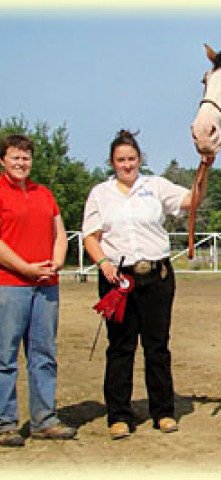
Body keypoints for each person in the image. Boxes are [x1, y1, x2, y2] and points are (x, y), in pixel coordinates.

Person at [82, 130, 192, 440]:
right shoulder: (100, 194)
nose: (127, 165)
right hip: (118, 279)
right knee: (120, 347)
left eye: (131, 159)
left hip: (156, 277)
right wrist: (103, 263)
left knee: (157, 347)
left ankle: (164, 412)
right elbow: (90, 235)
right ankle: (119, 415)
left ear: (139, 160)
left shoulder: (155, 186)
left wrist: (204, 168)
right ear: (112, 162)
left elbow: (190, 199)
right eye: (121, 160)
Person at [0, 134, 77, 447]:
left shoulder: (44, 194)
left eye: (26, 157)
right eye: (16, 157)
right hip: (10, 285)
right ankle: (5, 423)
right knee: (5, 356)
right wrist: (25, 267)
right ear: (3, 159)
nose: (22, 163)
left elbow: (59, 231)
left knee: (44, 354)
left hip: (46, 287)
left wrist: (57, 261)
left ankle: (44, 418)